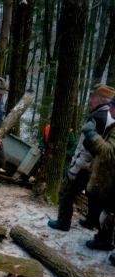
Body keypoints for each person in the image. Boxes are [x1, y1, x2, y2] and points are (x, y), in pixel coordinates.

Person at [47, 84, 115, 231]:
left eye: (93, 97)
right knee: (93, 195)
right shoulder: (108, 117)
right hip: (94, 168)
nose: (90, 100)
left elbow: (88, 149)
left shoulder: (98, 118)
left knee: (66, 192)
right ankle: (91, 222)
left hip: (84, 166)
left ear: (102, 100)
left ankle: (63, 222)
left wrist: (75, 168)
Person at [81, 95, 115, 251]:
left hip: (112, 180)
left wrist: (93, 136)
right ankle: (103, 240)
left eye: (112, 106)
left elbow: (108, 151)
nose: (110, 109)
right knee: (106, 210)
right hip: (108, 179)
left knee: (109, 212)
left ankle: (105, 241)